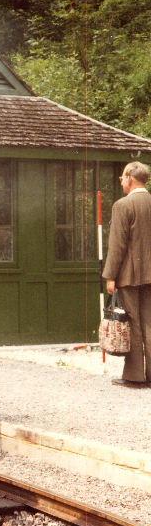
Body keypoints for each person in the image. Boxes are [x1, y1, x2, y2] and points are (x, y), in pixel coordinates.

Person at [103, 161, 151, 388]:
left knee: (132, 324)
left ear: (131, 178)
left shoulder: (122, 205)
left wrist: (110, 276)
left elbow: (117, 246)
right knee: (149, 324)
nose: (121, 181)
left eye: (122, 177)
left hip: (130, 276)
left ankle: (134, 376)